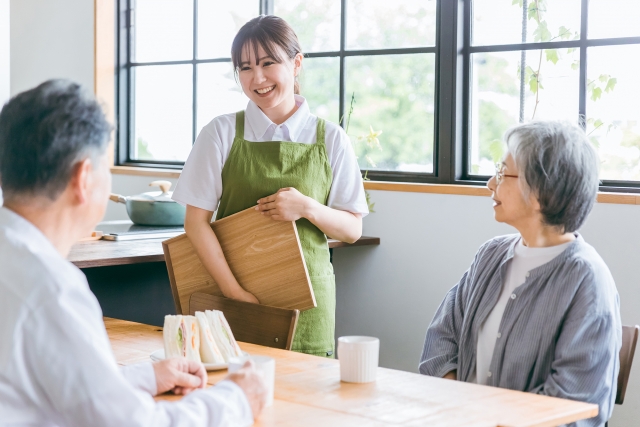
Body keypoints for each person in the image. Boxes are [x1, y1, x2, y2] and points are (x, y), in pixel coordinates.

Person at [0, 79, 267, 426]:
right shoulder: (52, 290)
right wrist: (237, 400)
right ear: (83, 178)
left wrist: (147, 377)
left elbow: (51, 391)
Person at [172, 15, 368, 358]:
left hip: (309, 301)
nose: (257, 78)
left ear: (296, 64)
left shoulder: (332, 139)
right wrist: (233, 292)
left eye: (268, 63)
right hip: (232, 292)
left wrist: (307, 207)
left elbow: (352, 229)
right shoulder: (220, 133)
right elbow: (195, 222)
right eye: (245, 67)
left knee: (307, 403)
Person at [419, 121, 621, 426]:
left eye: (502, 173)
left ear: (540, 192)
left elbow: (574, 403)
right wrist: (461, 411)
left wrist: (486, 418)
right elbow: (440, 340)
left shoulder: (587, 280)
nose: (490, 183)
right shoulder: (490, 254)